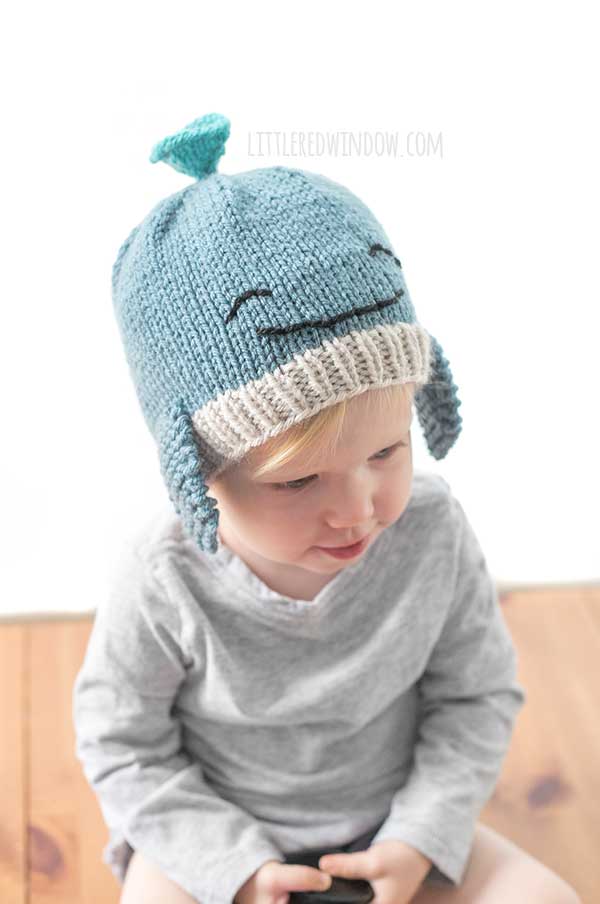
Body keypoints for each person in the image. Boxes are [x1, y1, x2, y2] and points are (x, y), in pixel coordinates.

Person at [72, 113, 581, 904]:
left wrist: (419, 834)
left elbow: (474, 695)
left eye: (386, 452)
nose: (358, 510)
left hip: (393, 822)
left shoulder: (432, 531)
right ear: (195, 472)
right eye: (297, 482)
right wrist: (232, 869)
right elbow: (124, 747)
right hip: (222, 834)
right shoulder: (164, 577)